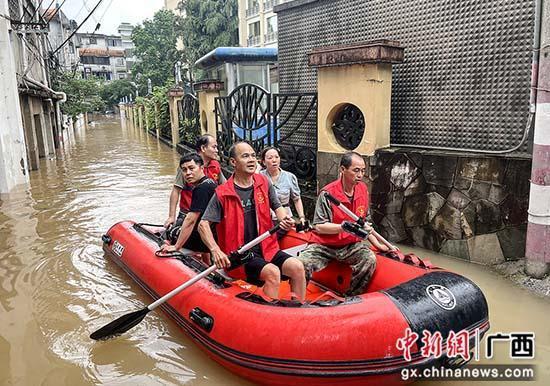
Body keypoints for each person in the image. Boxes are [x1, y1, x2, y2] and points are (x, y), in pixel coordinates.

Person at [199, 142, 306, 300]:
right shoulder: (223, 193)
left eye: (253, 156)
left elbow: (278, 207)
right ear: (233, 162)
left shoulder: (263, 182)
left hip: (266, 247)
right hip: (240, 254)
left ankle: (298, 309)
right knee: (273, 272)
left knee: (298, 267)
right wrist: (215, 250)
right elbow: (203, 225)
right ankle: (270, 319)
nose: (251, 160)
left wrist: (285, 219)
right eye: (245, 156)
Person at [297, 151, 388, 296]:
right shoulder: (327, 194)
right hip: (324, 245)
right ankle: (297, 300)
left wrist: (378, 245)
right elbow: (319, 226)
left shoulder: (363, 190)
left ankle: (351, 297)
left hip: (350, 246)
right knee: (300, 265)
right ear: (342, 169)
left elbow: (365, 224)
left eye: (363, 171)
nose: (360, 175)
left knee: (369, 259)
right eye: (356, 170)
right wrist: (344, 228)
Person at [159, 153, 217, 263]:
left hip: (204, 241)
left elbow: (191, 219)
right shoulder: (210, 182)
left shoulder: (201, 189)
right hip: (211, 237)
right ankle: (206, 263)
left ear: (201, 168)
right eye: (184, 170)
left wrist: (176, 246)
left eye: (191, 168)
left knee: (168, 231)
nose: (188, 173)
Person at [259, 147, 306, 225]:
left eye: (277, 157)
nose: (274, 160)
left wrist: (301, 217)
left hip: (285, 218)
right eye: (270, 158)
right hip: (265, 218)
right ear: (264, 162)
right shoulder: (259, 177)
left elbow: (296, 199)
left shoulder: (290, 177)